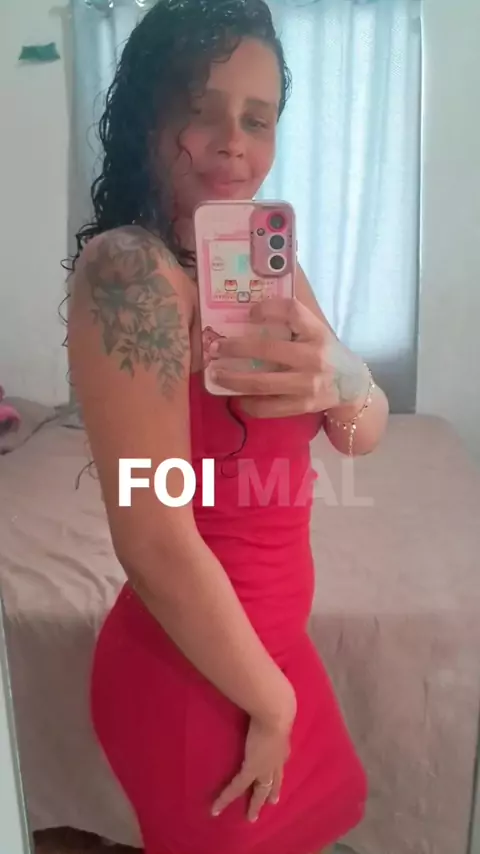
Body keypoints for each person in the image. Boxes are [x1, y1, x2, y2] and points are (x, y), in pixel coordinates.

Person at [67, 1, 389, 853]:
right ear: (145, 117)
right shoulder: (129, 273)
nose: (233, 143)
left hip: (276, 657)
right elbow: (153, 537)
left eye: (258, 118)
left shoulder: (263, 261)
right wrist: (273, 706)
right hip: (194, 675)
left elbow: (360, 433)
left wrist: (340, 376)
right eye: (200, 111)